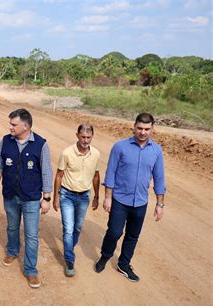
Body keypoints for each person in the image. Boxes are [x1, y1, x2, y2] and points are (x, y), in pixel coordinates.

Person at [95, 113, 166, 282]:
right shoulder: (120, 147)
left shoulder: (156, 150)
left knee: (133, 235)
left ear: (152, 129)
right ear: (134, 127)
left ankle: (124, 264)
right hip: (120, 199)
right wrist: (108, 197)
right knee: (114, 232)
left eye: (147, 129)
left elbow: (159, 177)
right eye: (140, 128)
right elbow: (110, 172)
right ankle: (105, 256)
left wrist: (160, 204)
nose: (143, 132)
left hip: (141, 201)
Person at [0, 108, 53, 289]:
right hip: (10, 195)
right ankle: (12, 250)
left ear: (26, 126)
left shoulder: (41, 144)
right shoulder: (6, 141)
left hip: (31, 198)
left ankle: (31, 270)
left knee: (32, 235)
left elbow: (47, 172)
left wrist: (46, 198)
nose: (10, 127)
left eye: (13, 124)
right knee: (12, 227)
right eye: (10, 124)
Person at [53, 124, 100, 277]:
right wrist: (55, 198)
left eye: (88, 137)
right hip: (67, 195)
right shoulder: (67, 153)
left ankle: (69, 248)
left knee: (78, 227)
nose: (85, 140)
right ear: (77, 135)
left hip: (84, 196)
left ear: (92, 137)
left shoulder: (96, 154)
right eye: (83, 137)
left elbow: (96, 176)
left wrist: (97, 196)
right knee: (68, 228)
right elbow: (59, 175)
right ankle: (69, 260)